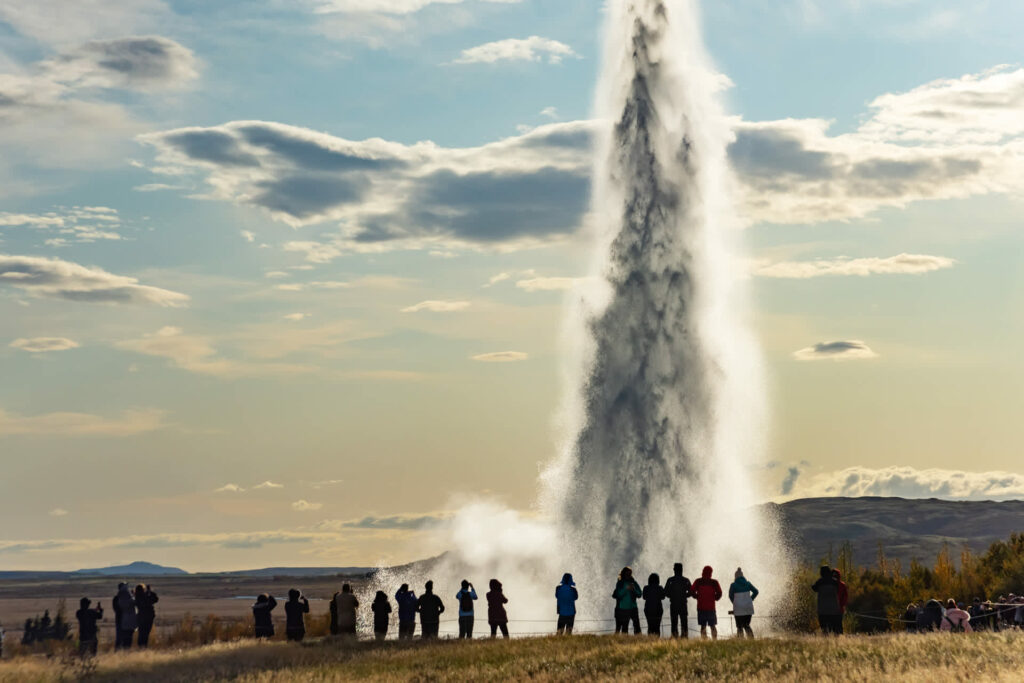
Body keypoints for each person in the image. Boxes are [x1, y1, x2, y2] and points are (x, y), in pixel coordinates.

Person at [690, 566, 723, 640]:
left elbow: (691, 591)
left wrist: (697, 596)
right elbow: (720, 593)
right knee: (712, 626)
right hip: (711, 608)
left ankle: (704, 641)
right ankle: (714, 640)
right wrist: (715, 598)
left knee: (703, 626)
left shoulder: (698, 581)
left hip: (701, 607)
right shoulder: (714, 582)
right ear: (711, 573)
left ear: (703, 571)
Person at [728, 568, 759, 639]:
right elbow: (756, 591)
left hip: (738, 609)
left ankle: (740, 641)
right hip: (748, 608)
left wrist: (735, 602)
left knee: (739, 627)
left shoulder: (733, 585)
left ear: (735, 576)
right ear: (742, 576)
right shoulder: (748, 583)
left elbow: (730, 595)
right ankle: (751, 640)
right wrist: (750, 599)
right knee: (746, 625)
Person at [663, 563, 692, 638]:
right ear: (682, 569)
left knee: (674, 622)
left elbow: (665, 592)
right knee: (684, 622)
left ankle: (675, 637)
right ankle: (684, 637)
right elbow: (691, 592)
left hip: (674, 603)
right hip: (683, 603)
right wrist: (685, 595)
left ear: (674, 570)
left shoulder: (670, 580)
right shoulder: (686, 580)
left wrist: (671, 596)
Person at [811, 566, 841, 635]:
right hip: (834, 610)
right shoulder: (834, 582)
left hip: (823, 611)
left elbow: (814, 588)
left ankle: (826, 643)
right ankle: (837, 644)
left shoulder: (819, 582)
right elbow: (838, 589)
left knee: (825, 631)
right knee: (835, 631)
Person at [612, 567, 642, 635]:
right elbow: (618, 594)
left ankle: (639, 640)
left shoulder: (634, 583)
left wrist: (634, 589)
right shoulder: (620, 583)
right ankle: (624, 641)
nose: (629, 575)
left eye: (630, 573)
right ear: (623, 573)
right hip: (623, 609)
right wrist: (626, 589)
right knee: (625, 628)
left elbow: (640, 594)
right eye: (627, 573)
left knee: (637, 626)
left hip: (633, 608)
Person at [114, 582, 138, 650]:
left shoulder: (118, 599)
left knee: (123, 639)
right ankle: (124, 652)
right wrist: (134, 595)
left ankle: (121, 652)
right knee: (126, 640)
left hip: (123, 622)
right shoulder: (128, 599)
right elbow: (135, 602)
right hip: (126, 622)